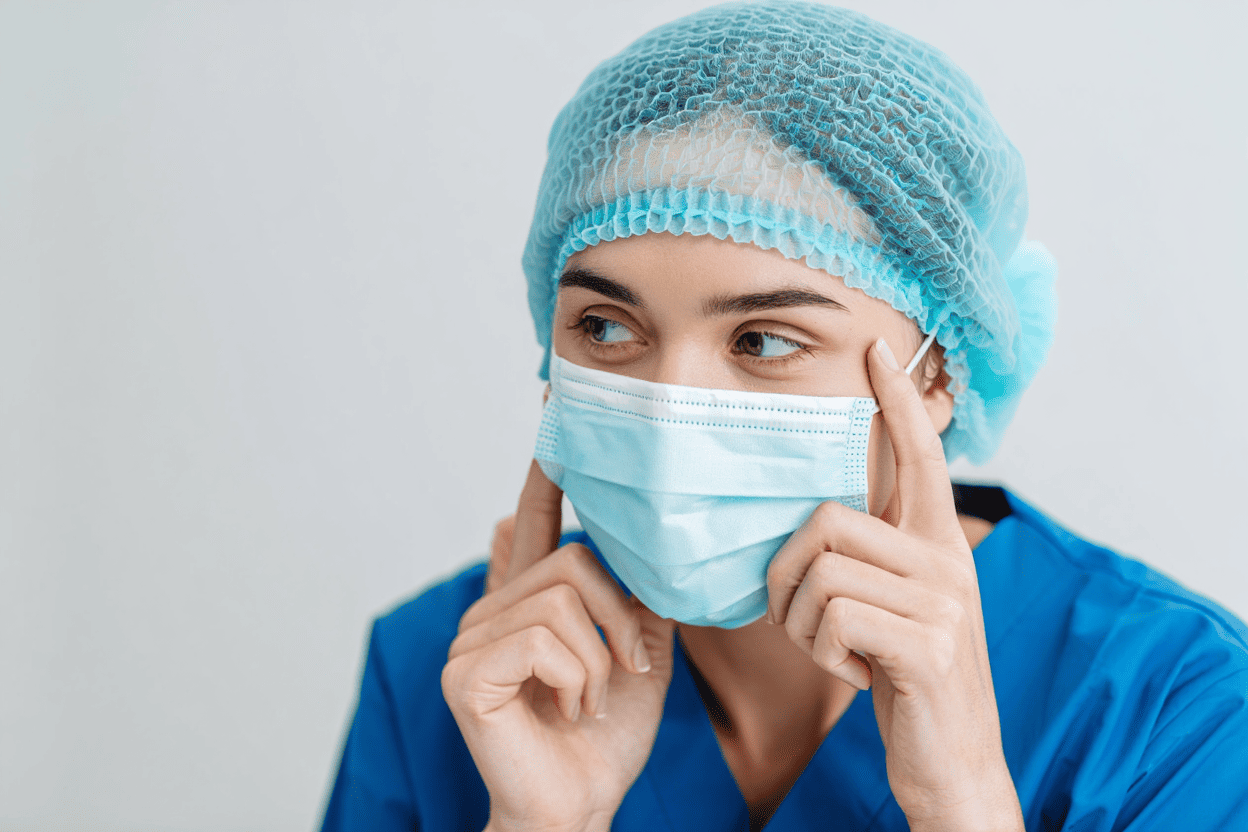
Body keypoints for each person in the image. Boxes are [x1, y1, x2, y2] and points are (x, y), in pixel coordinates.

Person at [319, 3, 1248, 830]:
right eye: (605, 326)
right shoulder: (455, 678)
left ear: (938, 373)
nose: (669, 412)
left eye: (763, 340)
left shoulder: (1174, 707)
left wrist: (962, 804)